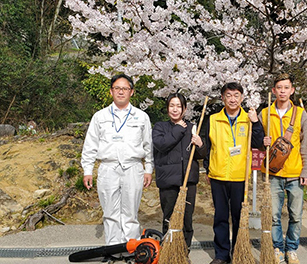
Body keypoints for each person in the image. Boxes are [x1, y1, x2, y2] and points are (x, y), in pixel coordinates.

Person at [81, 74, 153, 251]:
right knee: (110, 212)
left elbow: (148, 145)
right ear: (111, 91)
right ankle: (113, 249)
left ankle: (132, 248)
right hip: (108, 167)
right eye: (117, 88)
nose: (121, 92)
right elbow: (90, 144)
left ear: (132, 92)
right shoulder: (100, 116)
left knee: (130, 212)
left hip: (133, 166)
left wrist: (149, 168)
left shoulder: (141, 116)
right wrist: (87, 170)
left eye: (125, 89)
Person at [203, 82, 264, 264]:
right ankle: (221, 254)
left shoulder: (248, 119)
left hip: (240, 177)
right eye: (228, 95)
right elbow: (207, 147)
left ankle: (239, 251)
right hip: (218, 176)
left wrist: (256, 122)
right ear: (222, 98)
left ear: (242, 98)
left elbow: (258, 142)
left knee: (239, 217)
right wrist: (208, 169)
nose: (232, 99)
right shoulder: (213, 119)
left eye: (236, 95)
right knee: (220, 216)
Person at [260, 73, 307, 264]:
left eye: (286, 87)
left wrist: (306, 171)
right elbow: (257, 139)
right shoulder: (265, 113)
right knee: (273, 215)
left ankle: (292, 249)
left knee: (296, 216)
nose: (282, 91)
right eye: (279, 88)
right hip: (273, 174)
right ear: (274, 91)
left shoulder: (300, 113)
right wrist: (261, 140)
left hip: (295, 173)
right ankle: (277, 248)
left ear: (292, 90)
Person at [152, 93, 206, 253]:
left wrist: (200, 145)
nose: (175, 109)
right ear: (167, 108)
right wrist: (178, 129)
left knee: (187, 219)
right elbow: (161, 144)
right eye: (171, 106)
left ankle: (184, 250)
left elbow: (200, 154)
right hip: (168, 181)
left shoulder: (192, 127)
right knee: (169, 217)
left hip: (188, 180)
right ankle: (169, 250)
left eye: (178, 106)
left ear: (184, 109)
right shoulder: (160, 127)